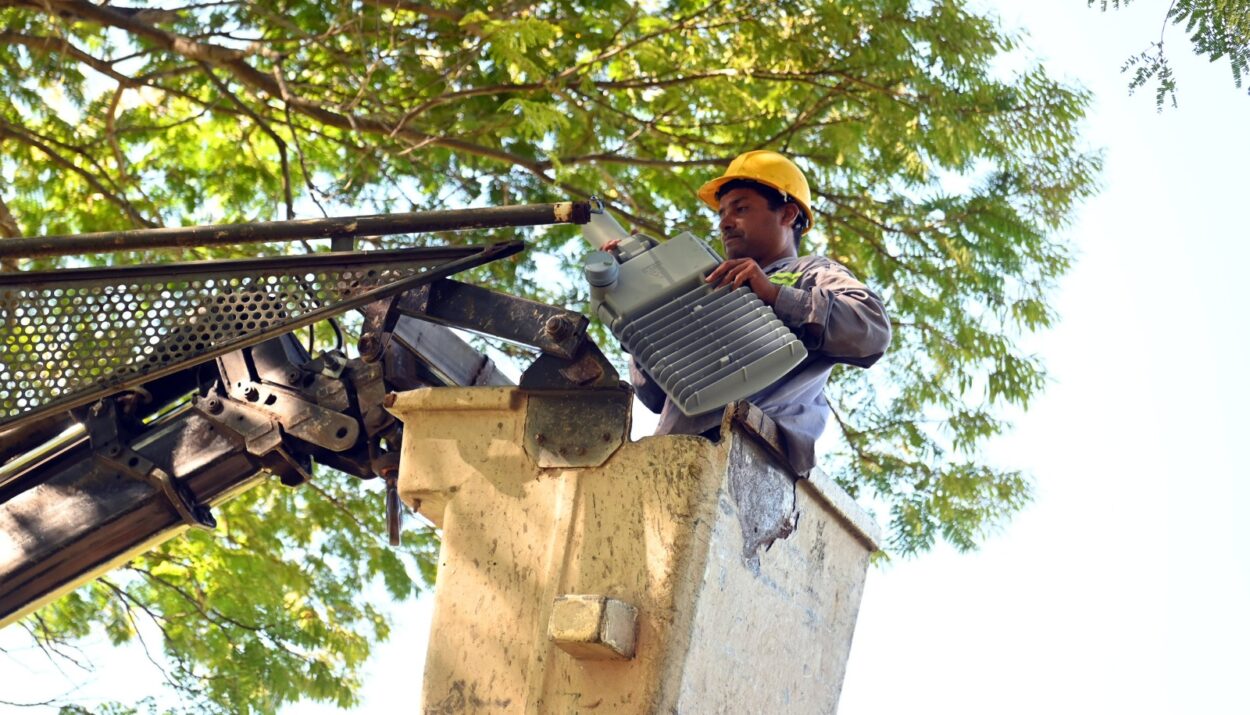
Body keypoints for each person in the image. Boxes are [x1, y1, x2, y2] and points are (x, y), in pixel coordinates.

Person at [628, 150, 891, 475]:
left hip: (756, 457)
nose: (725, 222)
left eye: (741, 209)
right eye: (722, 213)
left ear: (788, 214)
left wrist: (775, 295)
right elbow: (655, 396)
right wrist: (641, 319)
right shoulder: (711, 288)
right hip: (672, 457)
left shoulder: (811, 272)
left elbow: (872, 329)